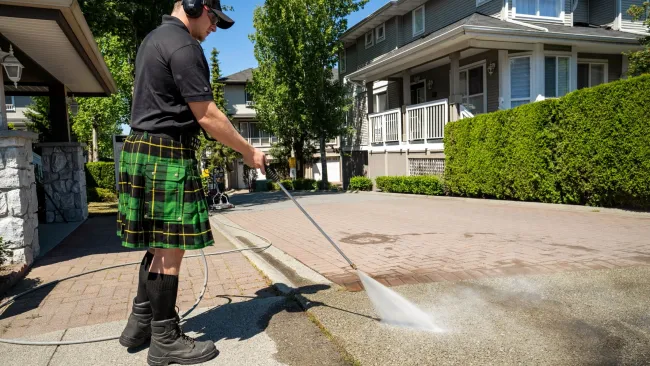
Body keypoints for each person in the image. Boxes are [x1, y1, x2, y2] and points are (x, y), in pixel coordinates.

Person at [115, 1, 266, 364]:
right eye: (213, 18)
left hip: (142, 148)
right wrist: (249, 152)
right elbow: (208, 114)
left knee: (156, 244)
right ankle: (165, 338)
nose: (214, 27)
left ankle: (141, 322)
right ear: (194, 6)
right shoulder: (185, 45)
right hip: (165, 154)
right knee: (170, 248)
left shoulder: (154, 38)